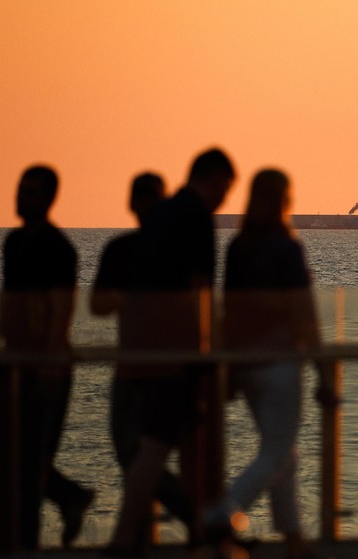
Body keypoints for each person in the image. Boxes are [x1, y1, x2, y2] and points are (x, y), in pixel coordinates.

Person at [203, 169, 338, 559]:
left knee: (282, 451)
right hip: (280, 363)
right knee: (278, 452)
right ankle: (224, 510)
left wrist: (226, 368)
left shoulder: (239, 246)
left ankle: (294, 539)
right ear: (285, 200)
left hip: (245, 364)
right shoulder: (286, 248)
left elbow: (227, 311)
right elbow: (305, 315)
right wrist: (324, 372)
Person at [109, 148, 235, 553]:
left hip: (147, 351)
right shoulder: (196, 218)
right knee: (182, 452)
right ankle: (140, 537)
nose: (225, 201)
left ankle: (152, 536)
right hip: (180, 358)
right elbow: (200, 293)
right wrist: (210, 354)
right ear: (215, 179)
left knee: (153, 449)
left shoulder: (160, 215)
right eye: (226, 190)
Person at [0, 165, 94, 549]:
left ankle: (26, 539)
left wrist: (50, 360)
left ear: (49, 198)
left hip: (45, 367)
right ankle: (67, 501)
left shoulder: (59, 248)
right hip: (13, 365)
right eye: (20, 189)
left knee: (32, 455)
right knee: (11, 450)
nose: (21, 197)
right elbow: (10, 299)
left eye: (31, 192)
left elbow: (61, 306)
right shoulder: (13, 242)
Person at [89, 173, 195, 543]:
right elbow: (98, 304)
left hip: (154, 370)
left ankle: (140, 535)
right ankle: (200, 520)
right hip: (141, 369)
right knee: (133, 455)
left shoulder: (154, 252)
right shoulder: (123, 250)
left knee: (137, 455)